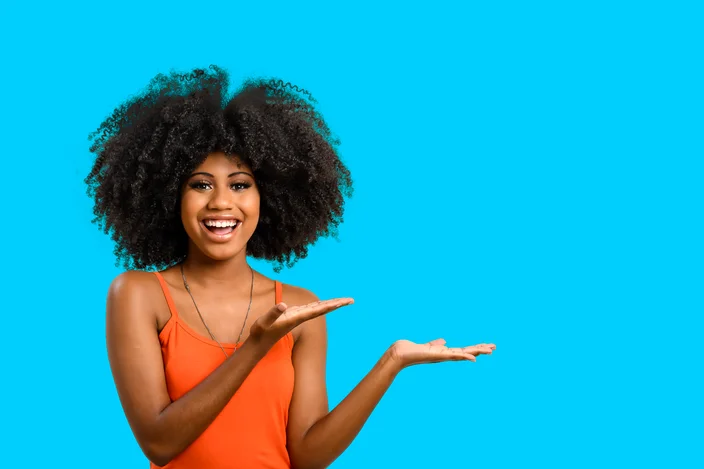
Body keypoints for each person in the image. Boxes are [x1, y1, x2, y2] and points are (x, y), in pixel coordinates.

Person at [85, 65, 496, 469]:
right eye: (200, 184)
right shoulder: (138, 294)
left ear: (271, 197)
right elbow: (159, 443)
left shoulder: (300, 310)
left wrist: (392, 363)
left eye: (241, 184)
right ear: (170, 195)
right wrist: (257, 345)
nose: (221, 203)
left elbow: (307, 456)